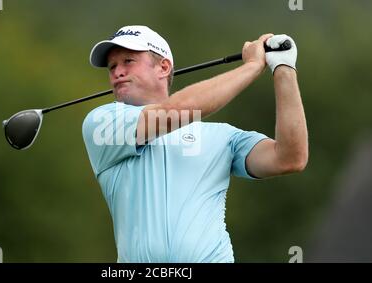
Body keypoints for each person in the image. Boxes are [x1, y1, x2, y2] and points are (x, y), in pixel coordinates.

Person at [82, 25, 308, 263]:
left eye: (128, 61)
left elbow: (290, 157)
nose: (118, 72)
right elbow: (174, 111)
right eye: (112, 67)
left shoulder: (223, 136)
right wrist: (252, 67)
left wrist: (283, 69)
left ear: (163, 67)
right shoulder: (102, 123)